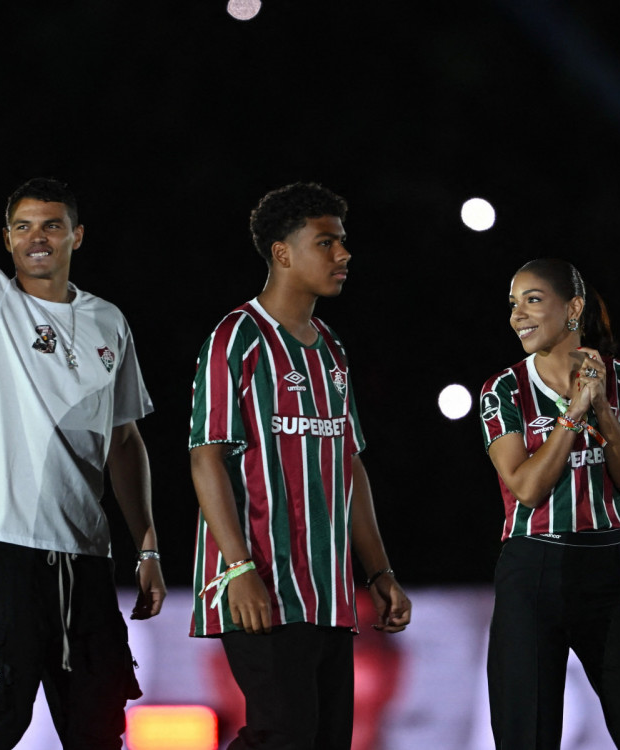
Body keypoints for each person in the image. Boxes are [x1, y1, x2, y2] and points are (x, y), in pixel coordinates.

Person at [0, 41, 166, 749]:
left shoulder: (107, 321)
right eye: (23, 227)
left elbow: (123, 439)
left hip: (85, 555)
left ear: (76, 237)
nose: (37, 238)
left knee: (97, 728)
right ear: (4, 238)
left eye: (51, 226)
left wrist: (146, 543)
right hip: (1, 543)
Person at [187, 182, 412, 750]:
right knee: (281, 736)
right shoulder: (237, 337)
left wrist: (379, 572)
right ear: (283, 252)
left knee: (324, 741)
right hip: (260, 584)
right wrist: (237, 570)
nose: (343, 255)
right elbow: (205, 455)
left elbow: (349, 465)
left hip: (329, 593)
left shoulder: (331, 348)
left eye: (343, 242)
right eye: (326, 243)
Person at [478, 259, 620, 750]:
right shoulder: (502, 390)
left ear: (573, 308)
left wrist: (603, 409)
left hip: (613, 570)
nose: (518, 315)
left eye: (532, 299)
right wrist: (572, 414)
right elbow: (527, 488)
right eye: (513, 303)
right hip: (533, 572)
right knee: (525, 738)